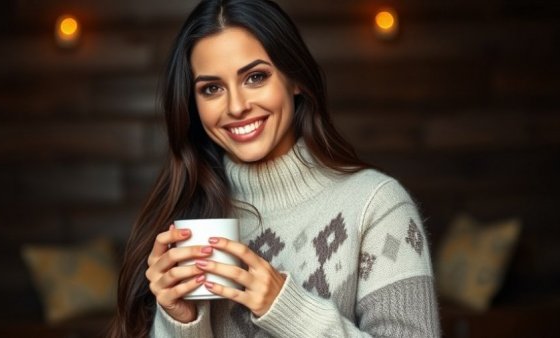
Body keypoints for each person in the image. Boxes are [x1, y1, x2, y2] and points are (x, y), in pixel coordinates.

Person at [110, 0, 440, 337]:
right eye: (212, 89)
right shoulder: (183, 216)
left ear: (295, 79)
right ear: (193, 105)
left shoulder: (377, 206)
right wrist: (178, 321)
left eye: (255, 77)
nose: (237, 106)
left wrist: (285, 308)